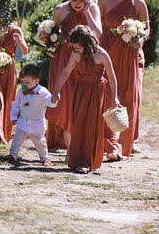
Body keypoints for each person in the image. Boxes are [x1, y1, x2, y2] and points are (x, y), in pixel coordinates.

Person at [50, 25, 119, 174]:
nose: (75, 50)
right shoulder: (76, 55)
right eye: (74, 47)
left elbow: (111, 76)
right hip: (80, 90)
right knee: (78, 124)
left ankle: (86, 162)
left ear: (87, 43)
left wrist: (114, 97)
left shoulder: (101, 54)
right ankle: (76, 159)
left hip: (96, 92)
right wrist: (56, 91)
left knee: (91, 125)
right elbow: (65, 72)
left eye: (78, 47)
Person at [44, 0, 101, 151]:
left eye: (82, 0)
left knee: (81, 100)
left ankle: (80, 144)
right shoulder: (60, 10)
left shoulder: (93, 8)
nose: (77, 4)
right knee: (66, 102)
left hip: (84, 59)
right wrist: (52, 40)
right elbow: (52, 36)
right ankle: (70, 147)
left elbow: (98, 33)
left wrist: (87, 11)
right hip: (63, 59)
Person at [98, 0, 149, 158]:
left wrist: (139, 40)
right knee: (109, 93)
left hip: (130, 54)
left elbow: (146, 28)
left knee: (130, 96)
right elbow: (97, 26)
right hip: (109, 53)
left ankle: (126, 141)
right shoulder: (104, 0)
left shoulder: (138, 3)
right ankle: (109, 141)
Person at [0, 22, 29, 144]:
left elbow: (25, 51)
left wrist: (20, 42)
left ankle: (4, 136)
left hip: (9, 71)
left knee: (8, 103)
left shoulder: (15, 30)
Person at [7, 63, 57, 167]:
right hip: (22, 122)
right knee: (17, 140)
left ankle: (45, 158)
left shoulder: (43, 91)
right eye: (22, 82)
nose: (24, 84)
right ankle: (12, 155)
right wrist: (14, 117)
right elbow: (15, 104)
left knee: (40, 142)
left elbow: (49, 102)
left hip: (37, 123)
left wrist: (53, 100)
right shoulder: (20, 91)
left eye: (27, 82)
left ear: (36, 81)